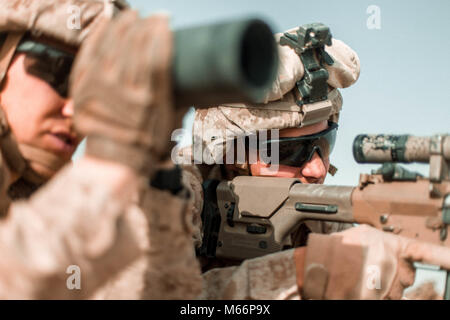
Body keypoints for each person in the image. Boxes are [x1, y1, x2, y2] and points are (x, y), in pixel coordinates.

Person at [177, 26, 450, 300]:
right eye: (291, 151)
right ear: (234, 156)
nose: (317, 169)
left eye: (324, 144)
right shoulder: (173, 195)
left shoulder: (320, 221)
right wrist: (301, 272)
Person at [0, 0, 202, 299]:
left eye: (96, 93)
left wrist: (293, 272)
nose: (77, 112)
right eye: (62, 73)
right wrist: (112, 160)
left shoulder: (49, 193)